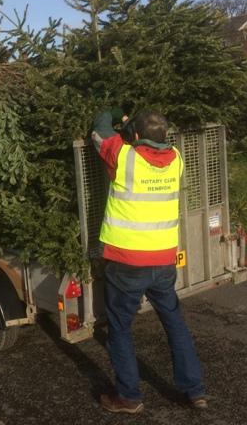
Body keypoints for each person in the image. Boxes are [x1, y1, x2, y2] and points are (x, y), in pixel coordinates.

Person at [91, 107, 207, 414]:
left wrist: (115, 112)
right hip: (163, 260)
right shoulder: (177, 160)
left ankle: (129, 397)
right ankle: (195, 390)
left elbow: (99, 128)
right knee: (174, 323)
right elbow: (151, 146)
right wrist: (135, 128)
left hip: (126, 263)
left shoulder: (124, 157)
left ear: (135, 137)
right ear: (166, 136)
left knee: (120, 328)